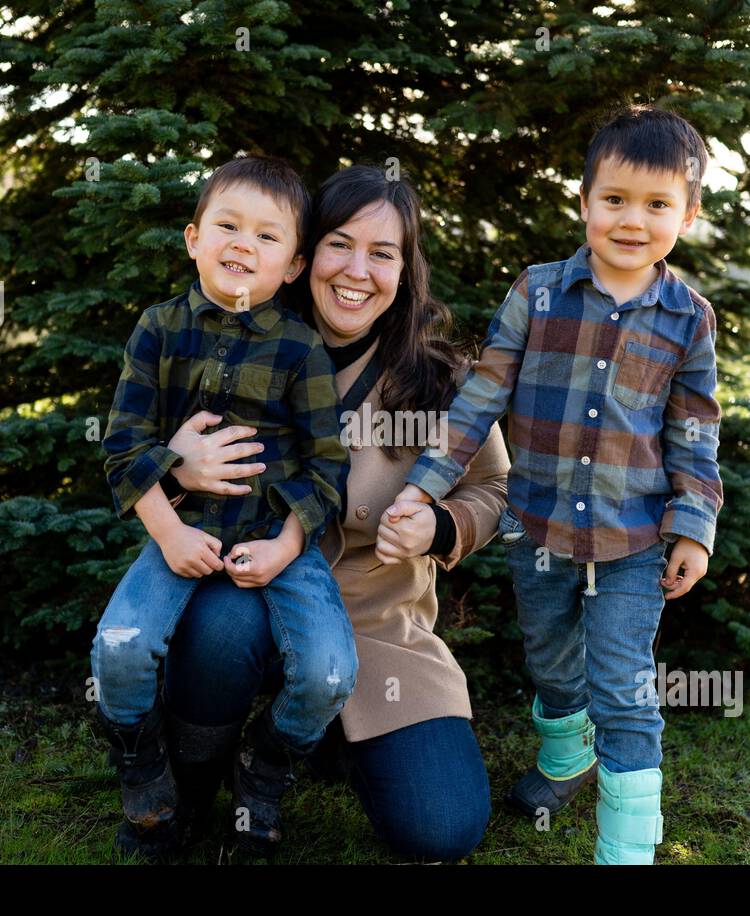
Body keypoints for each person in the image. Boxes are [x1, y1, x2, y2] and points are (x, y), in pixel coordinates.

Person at [396, 106, 724, 864]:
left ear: (688, 213)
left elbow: (696, 432)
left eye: (656, 204)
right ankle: (566, 757)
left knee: (624, 686)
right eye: (614, 200)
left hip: (634, 540)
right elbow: (479, 399)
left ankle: (627, 849)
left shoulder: (687, 319)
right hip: (535, 526)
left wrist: (693, 526)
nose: (632, 221)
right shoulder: (537, 292)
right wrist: (425, 487)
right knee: (549, 661)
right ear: (583, 203)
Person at [160, 164, 509, 861]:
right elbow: (147, 461)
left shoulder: (441, 380)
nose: (357, 270)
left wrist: (441, 526)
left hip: (382, 630)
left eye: (383, 254)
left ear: (405, 273)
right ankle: (188, 784)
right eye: (339, 244)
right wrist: (179, 465)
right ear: (304, 257)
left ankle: (315, 743)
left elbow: (496, 490)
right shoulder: (237, 346)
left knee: (441, 828)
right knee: (220, 630)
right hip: (256, 597)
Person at [91, 155, 355, 860]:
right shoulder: (159, 328)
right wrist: (170, 530)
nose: (244, 244)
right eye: (228, 226)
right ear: (193, 238)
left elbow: (330, 462)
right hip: (179, 530)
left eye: (268, 237)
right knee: (118, 651)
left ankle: (262, 773)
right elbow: (122, 444)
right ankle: (145, 768)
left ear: (295, 266)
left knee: (329, 671)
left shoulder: (302, 350)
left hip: (276, 540)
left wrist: (287, 545)